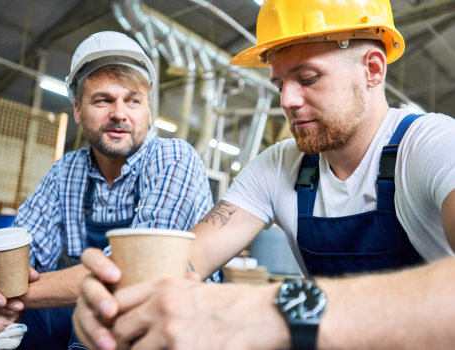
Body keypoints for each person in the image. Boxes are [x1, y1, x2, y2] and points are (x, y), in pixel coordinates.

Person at [73, 1, 455, 349]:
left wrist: (273, 312)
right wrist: (121, 296)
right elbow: (189, 258)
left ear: (372, 69)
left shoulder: (431, 145)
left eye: (306, 78)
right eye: (279, 83)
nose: (286, 100)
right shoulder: (280, 166)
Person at [0, 31, 213, 350]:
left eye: (133, 100)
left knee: (101, 316)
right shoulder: (67, 171)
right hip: (90, 301)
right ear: (78, 110)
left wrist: (10, 297)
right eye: (103, 100)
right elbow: (24, 254)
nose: (120, 113)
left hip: (175, 314)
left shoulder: (173, 158)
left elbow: (137, 272)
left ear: (148, 111)